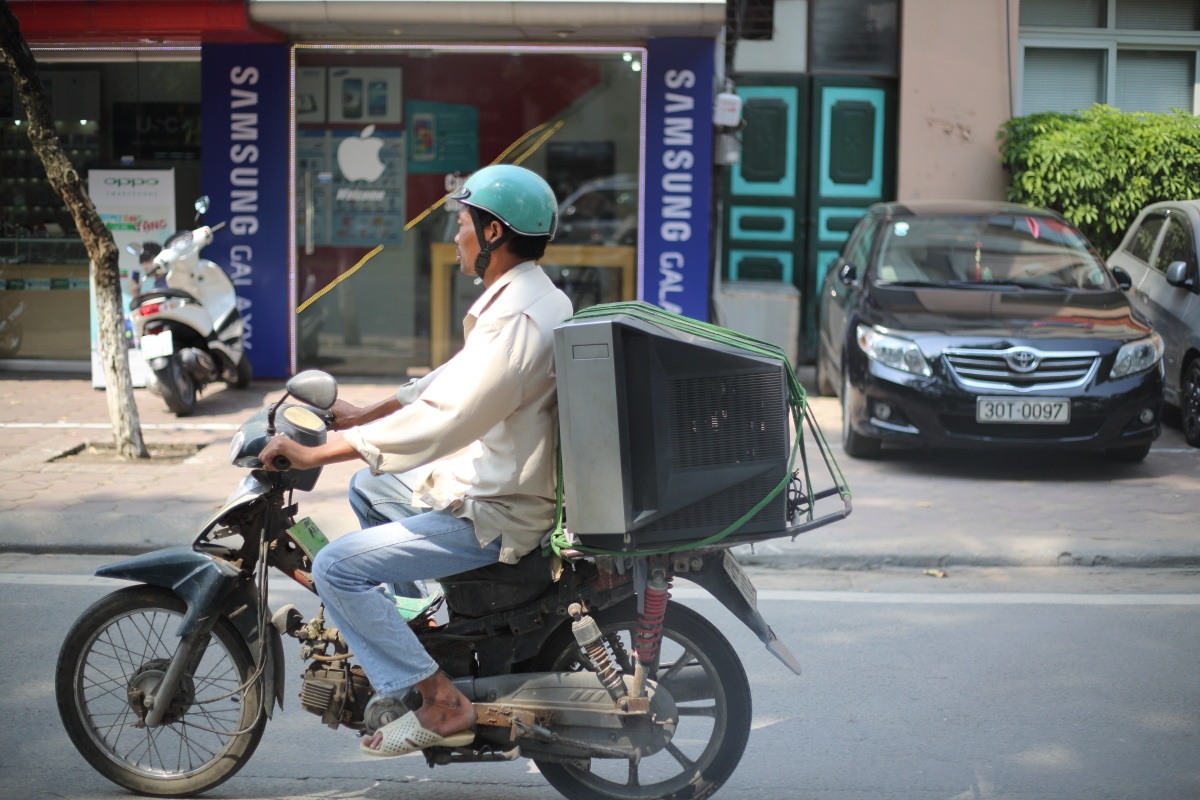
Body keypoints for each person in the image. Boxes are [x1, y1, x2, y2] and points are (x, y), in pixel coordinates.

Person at [259, 164, 572, 758]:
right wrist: (363, 415)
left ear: (495, 233)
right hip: (498, 485)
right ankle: (426, 636)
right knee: (366, 489)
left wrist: (316, 449)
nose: (455, 236)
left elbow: (446, 418)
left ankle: (439, 699)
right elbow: (447, 380)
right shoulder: (527, 297)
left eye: (462, 222)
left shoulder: (520, 320)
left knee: (337, 569)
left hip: (497, 514)